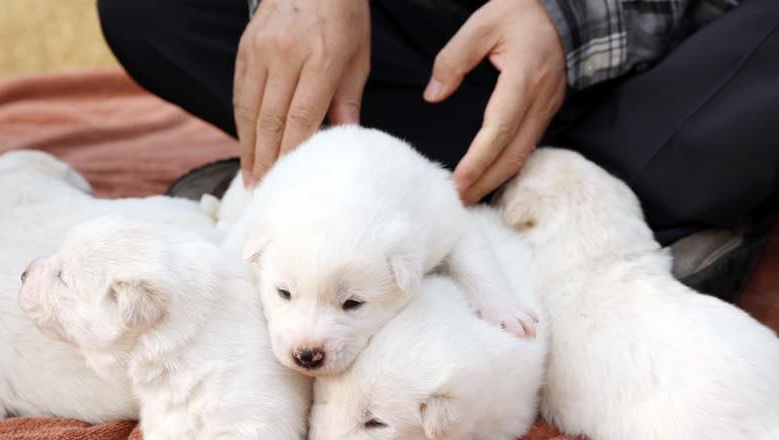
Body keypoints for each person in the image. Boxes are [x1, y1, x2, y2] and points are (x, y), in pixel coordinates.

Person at [96, 0, 777, 293]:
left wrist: (563, 22)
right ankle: (592, 219)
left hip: (681, 51)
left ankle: (368, 189)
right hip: (453, 52)